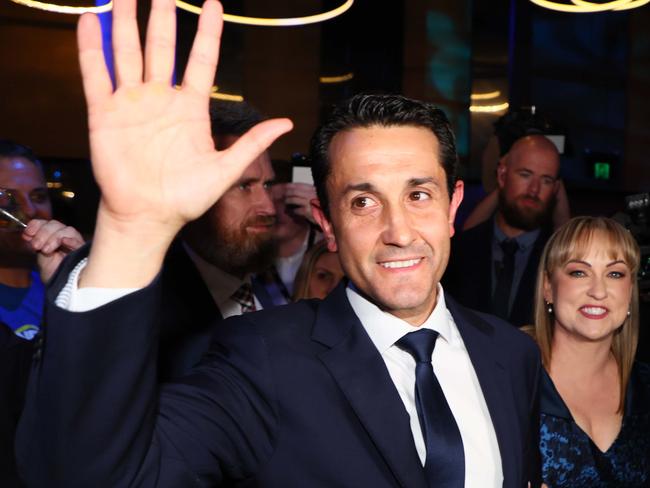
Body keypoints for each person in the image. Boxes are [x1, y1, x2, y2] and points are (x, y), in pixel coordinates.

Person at [16, 1, 541, 486]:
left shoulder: (511, 355)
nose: (399, 231)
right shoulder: (262, 358)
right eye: (363, 202)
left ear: (453, 207)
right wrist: (133, 231)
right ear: (325, 222)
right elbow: (98, 475)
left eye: (419, 195)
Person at [157, 99, 280, 380]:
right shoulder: (150, 313)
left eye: (267, 185)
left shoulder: (262, 284)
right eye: (243, 186)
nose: (268, 207)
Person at [529, 216, 649, 487]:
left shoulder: (645, 387)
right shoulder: (507, 381)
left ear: (630, 292)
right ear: (548, 287)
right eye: (579, 272)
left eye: (615, 274)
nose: (598, 291)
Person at [444, 134, 562, 327]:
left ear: (556, 189)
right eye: (525, 175)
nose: (534, 189)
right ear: (502, 175)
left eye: (546, 180)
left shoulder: (559, 259)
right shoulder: (460, 250)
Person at [0, 141, 83, 340]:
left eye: (38, 197)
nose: (29, 210)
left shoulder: (62, 290)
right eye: (6, 199)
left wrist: (77, 284)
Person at [253, 158, 321, 305]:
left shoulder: (328, 246)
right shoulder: (248, 251)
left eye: (286, 201)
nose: (275, 210)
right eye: (270, 201)